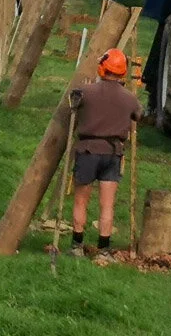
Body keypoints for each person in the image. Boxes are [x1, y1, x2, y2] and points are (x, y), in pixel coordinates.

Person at [68, 48, 142, 261]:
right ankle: (104, 250)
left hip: (87, 151)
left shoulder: (85, 91)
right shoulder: (130, 99)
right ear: (123, 72)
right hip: (113, 153)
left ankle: (77, 246)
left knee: (80, 201)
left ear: (102, 68)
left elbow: (73, 102)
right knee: (107, 204)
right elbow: (139, 114)